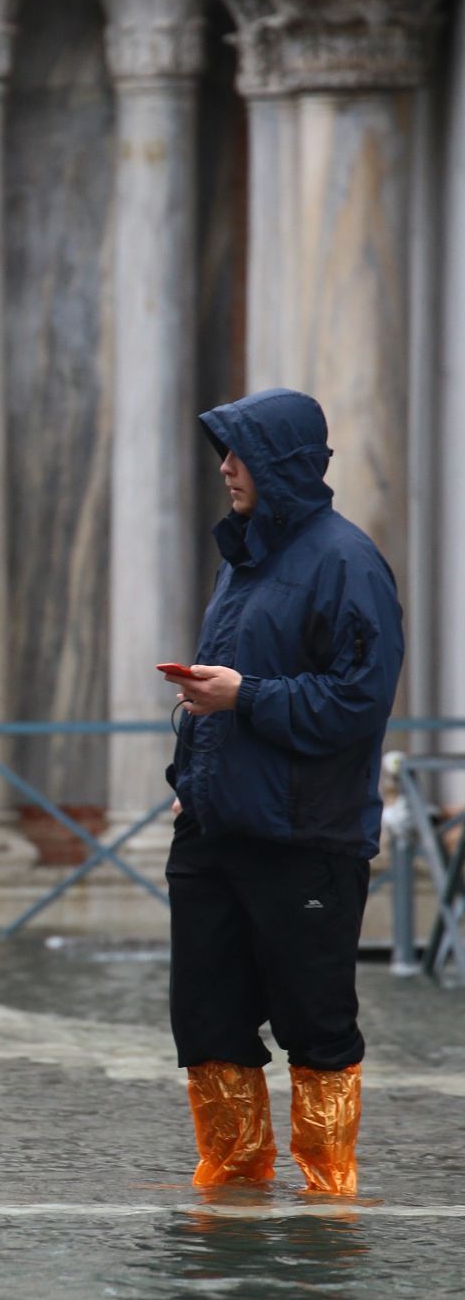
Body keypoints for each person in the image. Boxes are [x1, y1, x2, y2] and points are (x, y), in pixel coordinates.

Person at [165, 387, 403, 1196]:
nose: (226, 468)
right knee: (205, 1021)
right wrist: (187, 778)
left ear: (282, 464)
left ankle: (328, 1189)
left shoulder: (347, 562)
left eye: (239, 453)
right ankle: (230, 1180)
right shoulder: (246, 561)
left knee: (315, 1025)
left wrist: (244, 696)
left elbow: (358, 702)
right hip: (213, 832)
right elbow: (230, 689)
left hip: (306, 840)